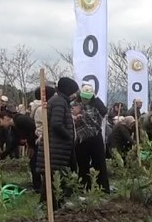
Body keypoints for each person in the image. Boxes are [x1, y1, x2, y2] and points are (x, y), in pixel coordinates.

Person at [33, 78, 78, 206]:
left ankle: (49, 205)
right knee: (53, 178)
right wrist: (68, 136)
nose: (75, 95)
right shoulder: (59, 102)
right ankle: (51, 206)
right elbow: (56, 124)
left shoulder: (60, 101)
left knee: (51, 180)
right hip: (55, 148)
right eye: (74, 92)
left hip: (57, 148)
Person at [72, 84, 111, 193]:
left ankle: (103, 188)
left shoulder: (97, 104)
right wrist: (76, 115)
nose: (85, 100)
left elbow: (104, 112)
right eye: (84, 97)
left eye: (87, 97)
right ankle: (84, 187)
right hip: (81, 138)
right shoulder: (75, 104)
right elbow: (71, 116)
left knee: (99, 162)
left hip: (95, 135)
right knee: (82, 163)